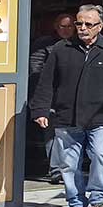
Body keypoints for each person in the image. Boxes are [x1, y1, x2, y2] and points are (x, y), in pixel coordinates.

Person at [31, 5, 103, 207]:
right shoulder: (61, 48)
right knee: (69, 164)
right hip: (67, 117)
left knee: (100, 156)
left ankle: (97, 201)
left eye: (88, 24)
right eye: (79, 23)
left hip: (100, 117)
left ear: (100, 26)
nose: (82, 28)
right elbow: (47, 81)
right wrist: (40, 109)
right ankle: (75, 204)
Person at [29, 12, 75, 181]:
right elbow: (35, 70)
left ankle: (62, 168)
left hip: (67, 97)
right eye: (63, 26)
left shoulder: (76, 45)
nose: (66, 30)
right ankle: (57, 170)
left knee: (63, 133)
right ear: (56, 27)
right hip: (47, 96)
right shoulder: (44, 44)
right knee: (52, 133)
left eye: (70, 26)